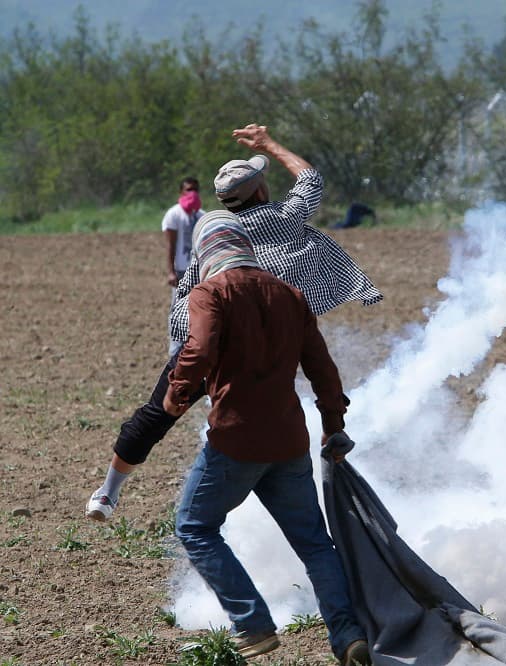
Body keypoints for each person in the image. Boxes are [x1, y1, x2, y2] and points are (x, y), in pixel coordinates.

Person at [86, 124, 382, 523]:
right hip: (272, 340)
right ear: (260, 190)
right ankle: (317, 453)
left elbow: (187, 295)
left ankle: (107, 492)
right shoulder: (284, 217)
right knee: (292, 397)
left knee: (156, 415)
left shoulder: (217, 233)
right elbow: (311, 179)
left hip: (210, 337)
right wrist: (268, 144)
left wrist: (182, 368)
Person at [163, 211, 371, 664]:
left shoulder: (209, 293)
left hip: (235, 441)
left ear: (206, 252)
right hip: (289, 441)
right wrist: (333, 424)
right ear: (244, 245)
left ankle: (253, 623)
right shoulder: (289, 295)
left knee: (194, 526)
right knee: (315, 543)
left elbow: (199, 348)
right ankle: (348, 634)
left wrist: (177, 393)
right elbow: (323, 368)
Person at [163, 177, 205, 357]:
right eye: (188, 189)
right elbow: (171, 245)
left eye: (195, 189)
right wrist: (171, 271)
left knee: (200, 309)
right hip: (181, 269)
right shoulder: (174, 214)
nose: (192, 193)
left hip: (199, 270)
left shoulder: (202, 216)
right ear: (181, 192)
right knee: (178, 309)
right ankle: (176, 351)